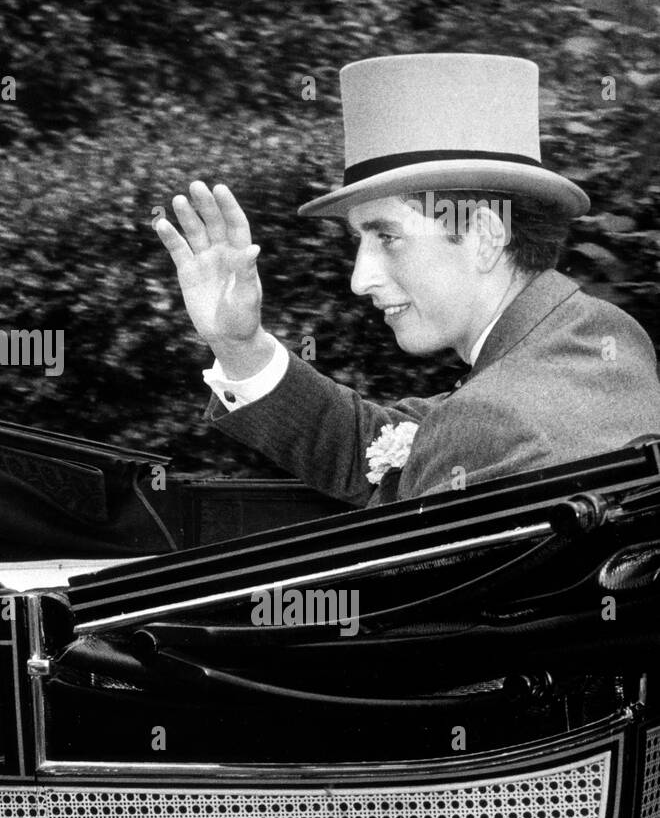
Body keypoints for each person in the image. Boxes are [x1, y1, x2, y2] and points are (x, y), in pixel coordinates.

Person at [155, 53, 660, 506]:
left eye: (387, 236)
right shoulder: (604, 337)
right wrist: (237, 345)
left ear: (485, 235)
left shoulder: (495, 422)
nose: (359, 279)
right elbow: (389, 450)